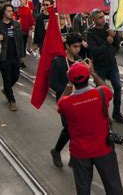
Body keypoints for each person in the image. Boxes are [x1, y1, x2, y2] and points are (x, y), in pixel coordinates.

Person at [58, 62, 123, 195]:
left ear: (72, 81)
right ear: (88, 77)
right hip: (104, 149)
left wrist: (69, 84)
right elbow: (108, 89)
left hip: (80, 152)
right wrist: (93, 73)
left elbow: (60, 103)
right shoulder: (102, 93)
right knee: (113, 186)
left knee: (83, 189)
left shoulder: (66, 103)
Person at [49, 33, 84, 167]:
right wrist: (67, 89)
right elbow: (53, 83)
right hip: (65, 100)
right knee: (69, 128)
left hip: (79, 98)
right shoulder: (59, 61)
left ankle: (73, 156)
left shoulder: (79, 60)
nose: (77, 49)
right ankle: (56, 151)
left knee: (77, 129)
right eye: (75, 47)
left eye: (79, 47)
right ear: (67, 46)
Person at [86, 9, 123, 124]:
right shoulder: (90, 33)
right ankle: (103, 114)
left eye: (103, 16)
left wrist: (112, 43)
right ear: (93, 19)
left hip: (112, 64)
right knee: (101, 92)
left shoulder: (110, 28)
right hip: (99, 66)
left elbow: (117, 47)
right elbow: (94, 51)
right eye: (99, 17)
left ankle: (117, 113)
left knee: (118, 87)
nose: (102, 19)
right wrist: (107, 43)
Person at [0, 4, 24, 111]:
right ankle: (12, 101)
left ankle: (6, 90)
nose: (11, 13)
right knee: (7, 79)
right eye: (8, 11)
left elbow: (21, 41)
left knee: (15, 76)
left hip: (15, 56)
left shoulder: (16, 24)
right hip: (3, 57)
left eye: (12, 11)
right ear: (3, 13)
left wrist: (22, 55)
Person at [15, 0, 35, 68]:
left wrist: (32, 25)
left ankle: (22, 60)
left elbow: (30, 18)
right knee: (18, 45)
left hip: (25, 30)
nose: (24, 1)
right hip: (17, 31)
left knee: (23, 45)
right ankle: (18, 59)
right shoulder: (16, 10)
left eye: (25, 0)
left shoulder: (27, 9)